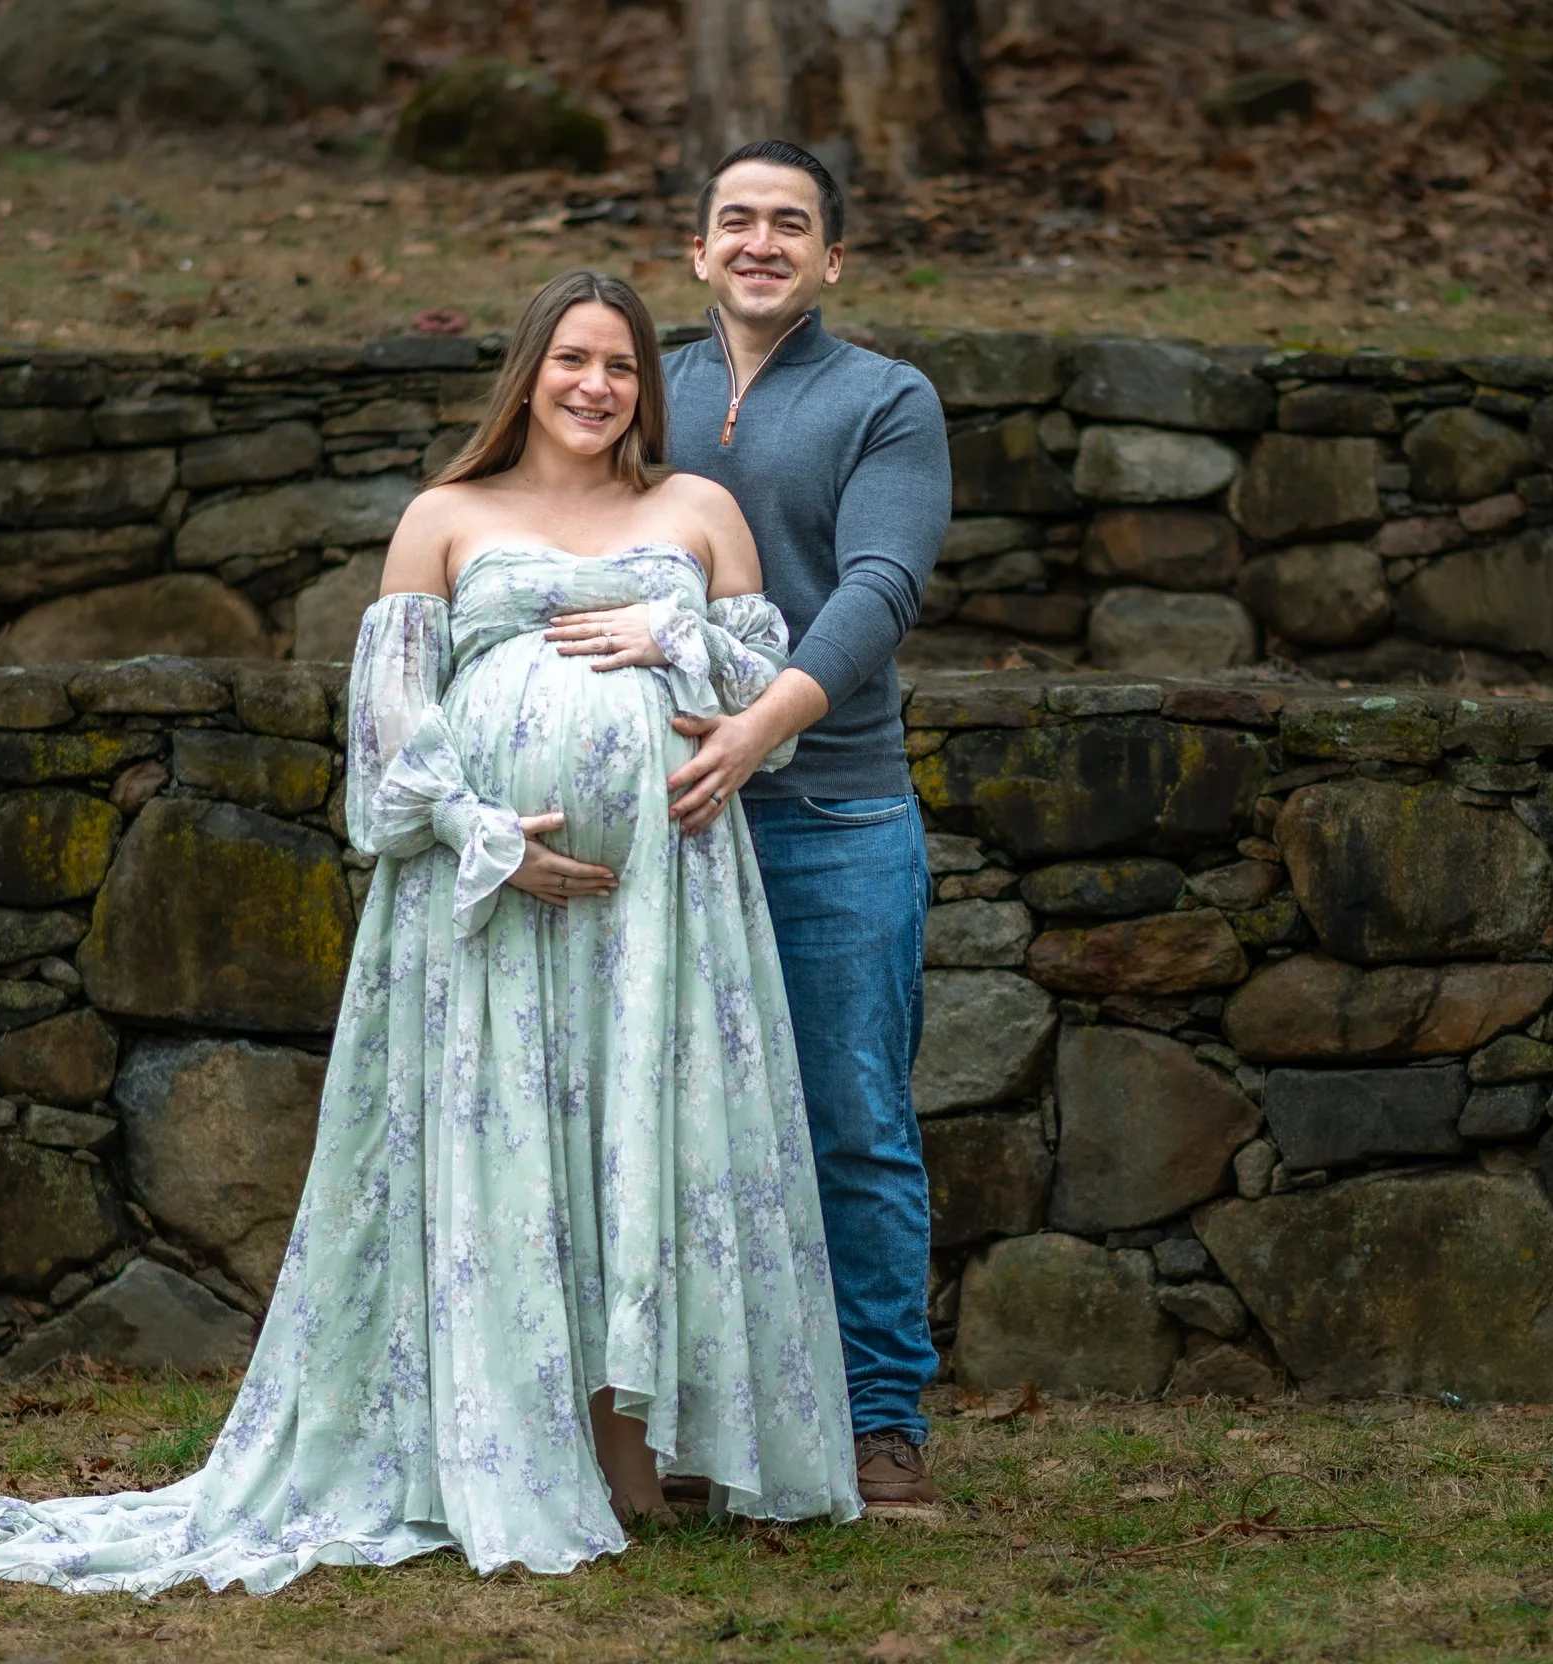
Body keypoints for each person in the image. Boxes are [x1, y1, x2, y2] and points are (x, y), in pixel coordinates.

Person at [0, 270, 860, 1592]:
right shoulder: (445, 519)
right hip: (484, 909)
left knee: (648, 1142)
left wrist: (672, 628)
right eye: (572, 359)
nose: (596, 386)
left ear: (649, 386)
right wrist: (491, 835)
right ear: (527, 372)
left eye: (621, 365)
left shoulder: (698, 510)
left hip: (668, 912)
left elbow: (767, 684)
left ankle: (634, 1441)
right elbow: (386, 739)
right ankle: (519, 1438)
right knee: (516, 1158)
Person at [656, 141, 954, 1509]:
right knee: (670, 1127)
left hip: (833, 813)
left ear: (834, 257)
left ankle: (878, 1422)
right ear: (697, 249)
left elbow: (882, 584)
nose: (761, 240)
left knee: (851, 1127)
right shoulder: (640, 388)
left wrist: (758, 729)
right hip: (664, 818)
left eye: (792, 224)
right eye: (737, 221)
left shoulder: (888, 400)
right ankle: (689, 1428)